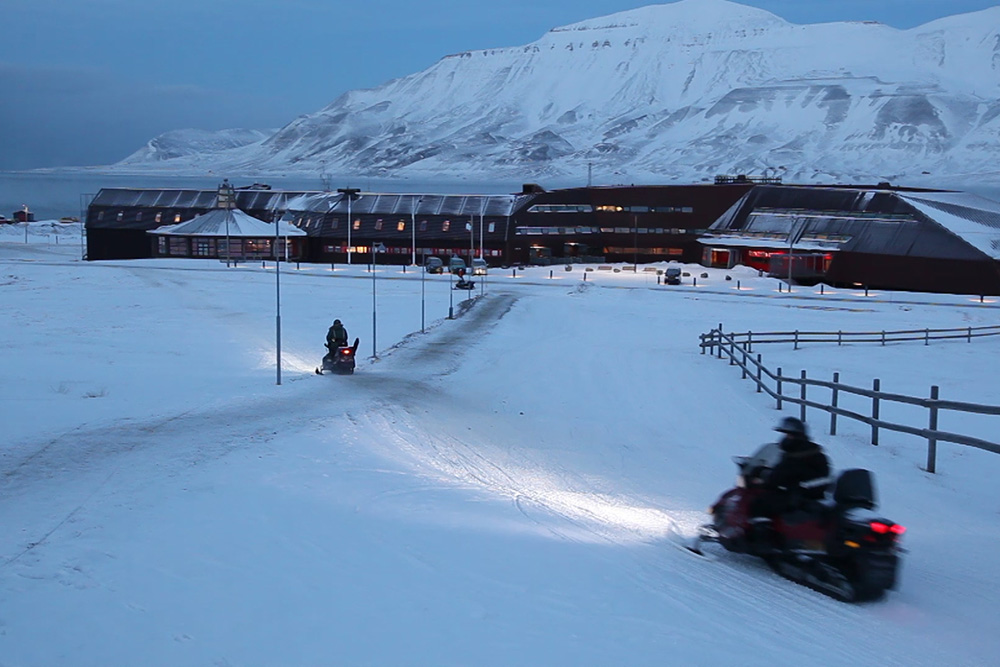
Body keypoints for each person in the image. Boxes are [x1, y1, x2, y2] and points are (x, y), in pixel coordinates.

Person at [755, 417, 831, 518]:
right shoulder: (795, 452)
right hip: (797, 493)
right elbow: (784, 472)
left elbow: (786, 474)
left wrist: (766, 475)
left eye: (789, 435)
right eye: (786, 435)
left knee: (758, 505)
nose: (786, 438)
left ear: (798, 436)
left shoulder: (803, 454)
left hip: (801, 498)